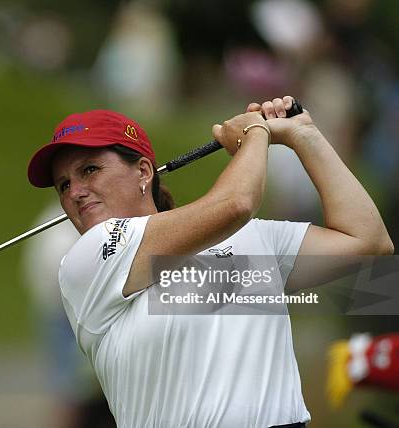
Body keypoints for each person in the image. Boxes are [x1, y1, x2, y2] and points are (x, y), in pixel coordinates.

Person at [26, 96, 394, 428]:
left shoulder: (252, 238)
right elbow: (236, 203)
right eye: (63, 185)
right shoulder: (89, 257)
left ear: (143, 171)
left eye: (89, 170)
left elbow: (367, 241)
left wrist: (305, 136)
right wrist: (255, 132)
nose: (75, 191)